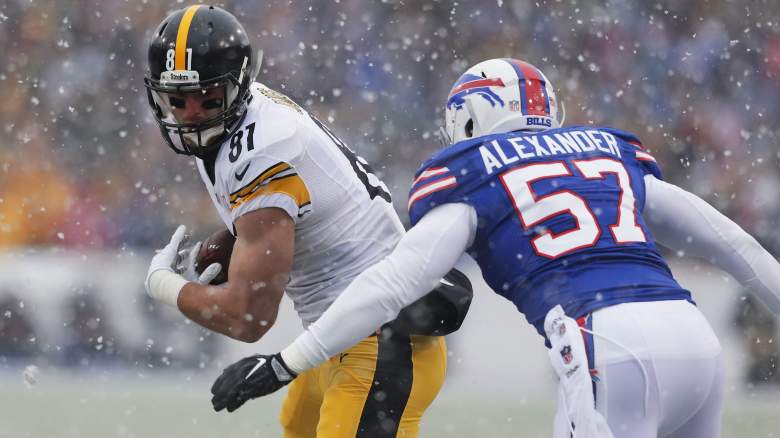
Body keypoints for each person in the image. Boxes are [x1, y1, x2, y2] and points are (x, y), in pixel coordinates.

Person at [210, 58, 780, 438]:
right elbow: (737, 248)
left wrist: (288, 361)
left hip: (607, 343)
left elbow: (392, 284)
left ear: (471, 117)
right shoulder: (608, 152)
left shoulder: (472, 172)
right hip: (695, 341)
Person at [141, 5, 472, 438]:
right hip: (338, 335)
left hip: (379, 341)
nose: (191, 115)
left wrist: (163, 285)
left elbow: (248, 318)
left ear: (238, 87)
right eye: (177, 100)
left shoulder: (261, 149)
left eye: (208, 99)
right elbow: (300, 208)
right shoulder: (248, 118)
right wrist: (237, 236)